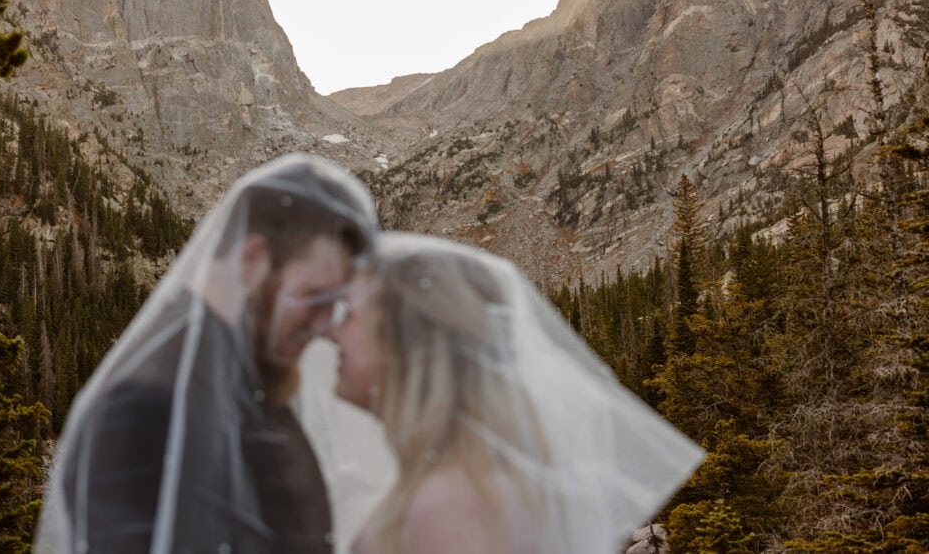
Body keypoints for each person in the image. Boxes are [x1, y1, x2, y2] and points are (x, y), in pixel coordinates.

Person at [35, 153, 380, 554]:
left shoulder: (253, 375)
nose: (324, 325)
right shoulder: (139, 405)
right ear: (252, 259)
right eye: (313, 297)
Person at [306, 233, 705, 554]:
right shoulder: (493, 476)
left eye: (350, 314)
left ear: (407, 343)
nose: (329, 331)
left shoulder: (444, 509)